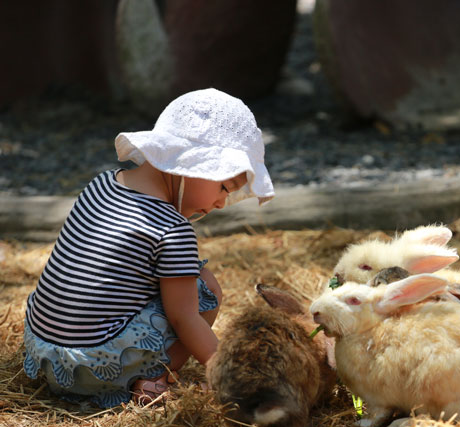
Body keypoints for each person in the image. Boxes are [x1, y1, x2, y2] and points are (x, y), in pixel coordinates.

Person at [22, 88, 275, 408]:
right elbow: (184, 318)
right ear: (192, 164)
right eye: (224, 187)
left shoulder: (100, 184)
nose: (222, 203)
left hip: (45, 357)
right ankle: (155, 379)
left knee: (180, 279)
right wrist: (232, 378)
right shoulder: (172, 228)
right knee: (206, 289)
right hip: (96, 370)